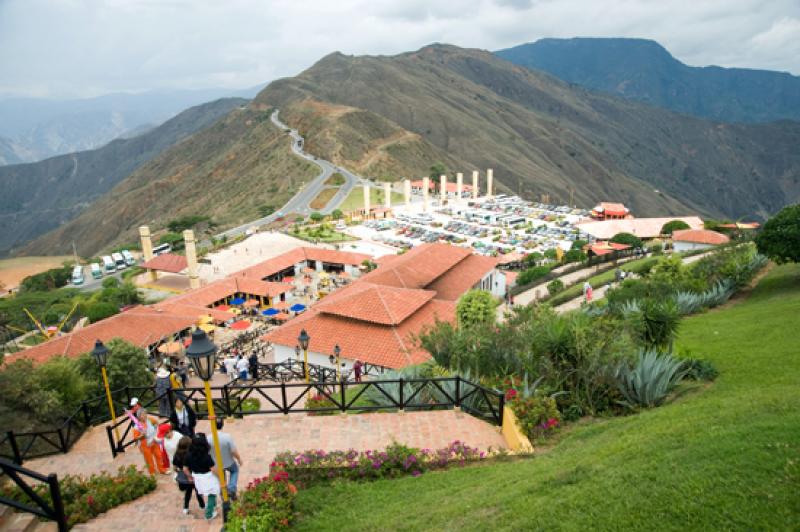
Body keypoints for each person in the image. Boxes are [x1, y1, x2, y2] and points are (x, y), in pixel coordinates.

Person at [183, 434, 220, 521]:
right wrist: (220, 476)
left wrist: (190, 477)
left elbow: (185, 469)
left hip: (197, 477)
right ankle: (209, 514)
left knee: (207, 493)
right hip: (208, 477)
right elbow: (213, 469)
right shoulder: (207, 457)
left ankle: (213, 506)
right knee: (212, 494)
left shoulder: (188, 455)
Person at [172, 435, 205, 515]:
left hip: (184, 478)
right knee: (198, 491)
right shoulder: (191, 454)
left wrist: (179, 471)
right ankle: (202, 505)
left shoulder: (177, 454)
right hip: (194, 475)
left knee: (188, 492)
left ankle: (186, 508)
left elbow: (174, 467)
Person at [212, 418, 243, 500]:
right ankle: (232, 488)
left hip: (217, 464)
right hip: (229, 462)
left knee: (222, 478)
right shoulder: (227, 437)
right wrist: (239, 459)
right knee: (235, 471)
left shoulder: (208, 438)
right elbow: (233, 451)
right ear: (222, 425)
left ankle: (224, 492)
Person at [133, 408, 169, 476]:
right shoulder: (137, 426)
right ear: (139, 416)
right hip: (145, 445)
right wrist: (141, 435)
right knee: (149, 459)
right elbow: (135, 438)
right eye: (142, 414)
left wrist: (156, 428)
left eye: (145, 413)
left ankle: (162, 470)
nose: (144, 415)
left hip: (154, 441)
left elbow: (157, 422)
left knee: (159, 456)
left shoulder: (150, 419)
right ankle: (152, 472)